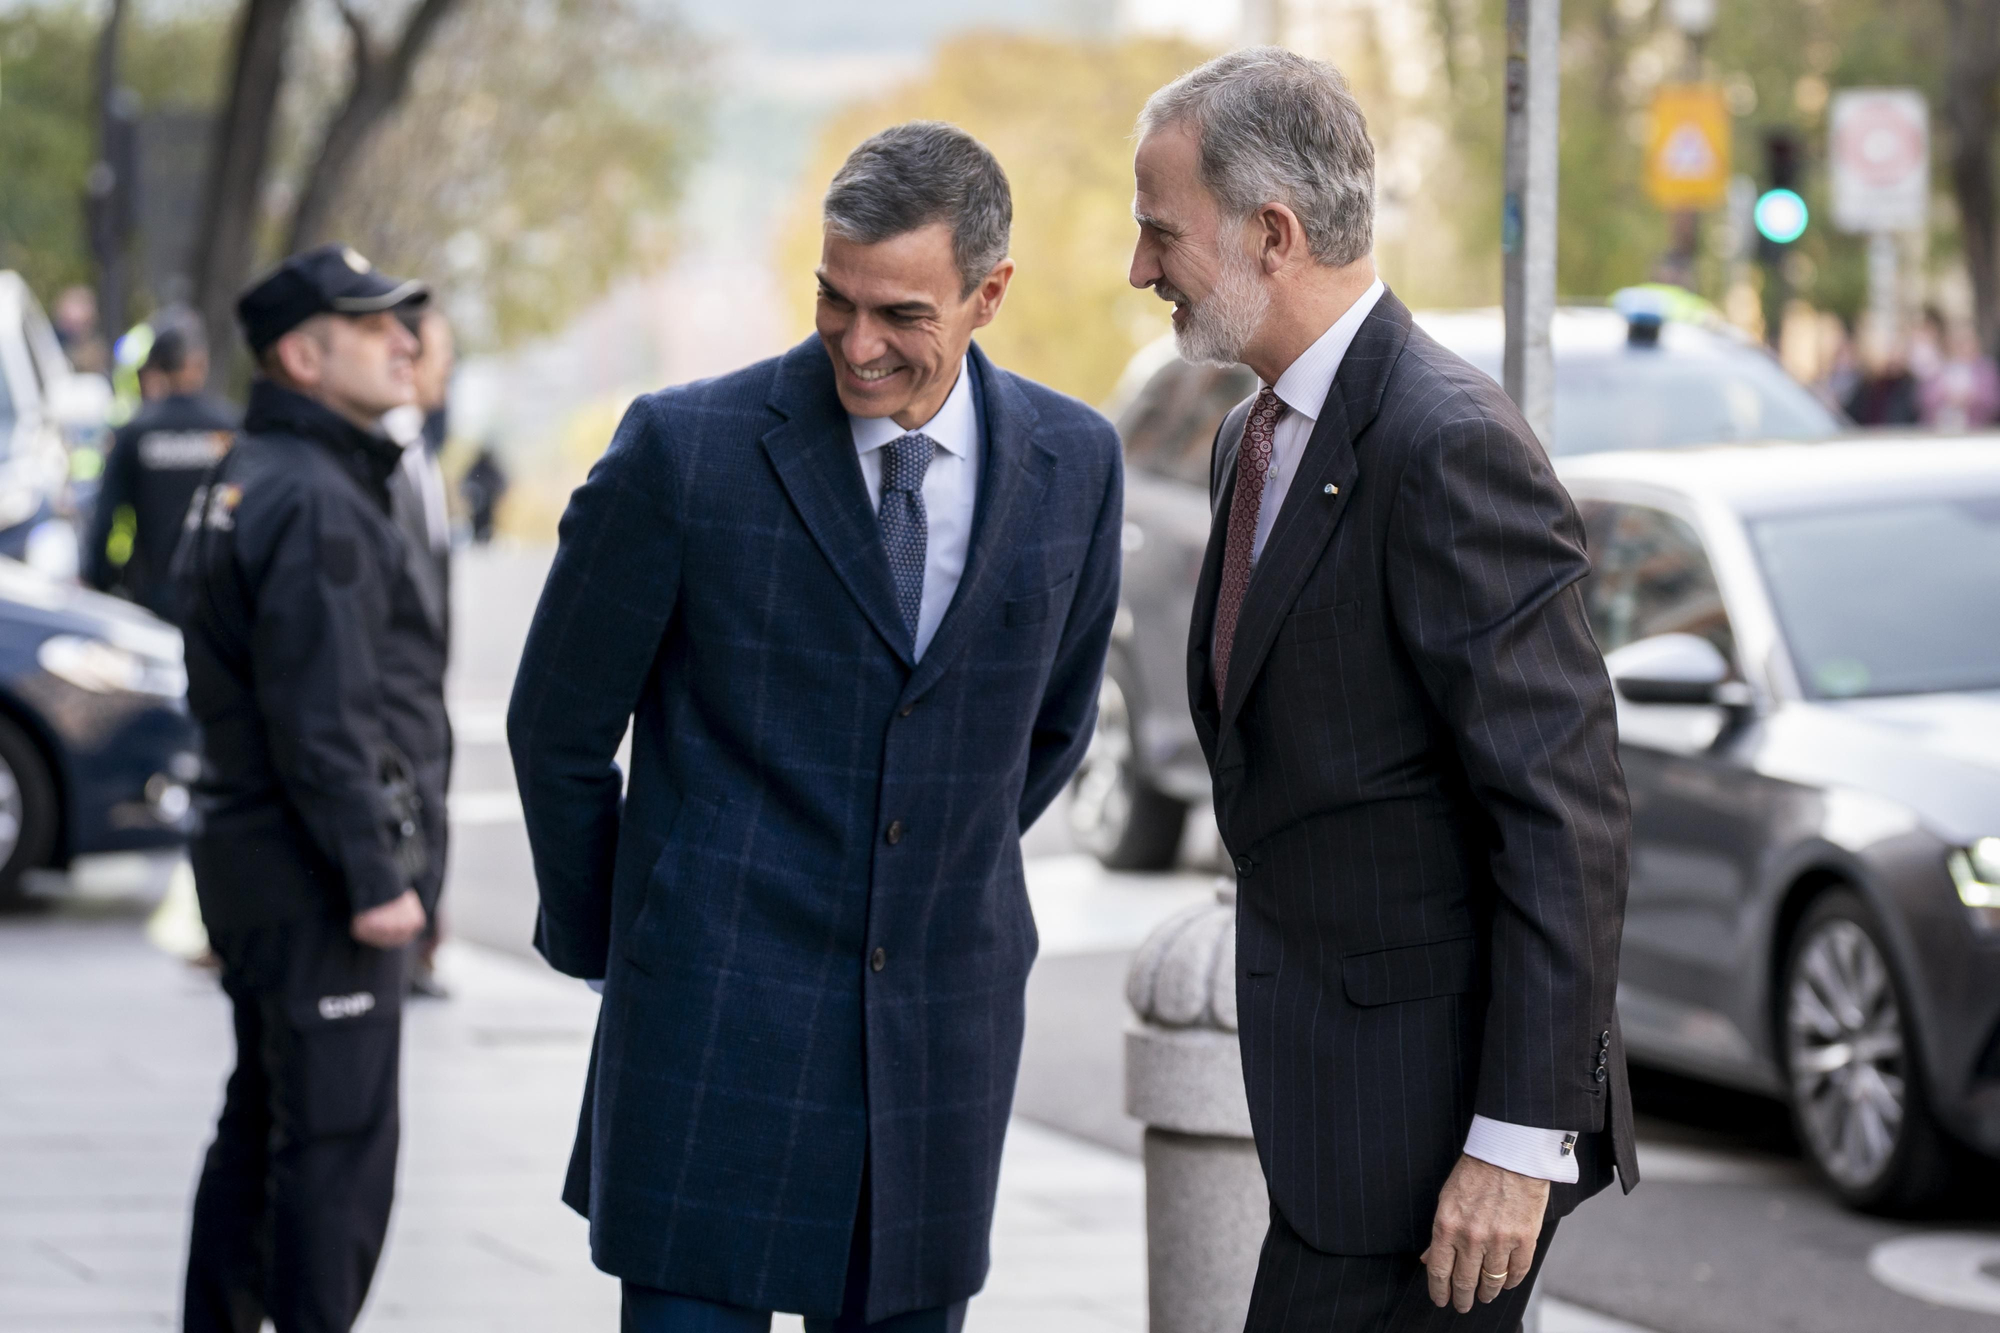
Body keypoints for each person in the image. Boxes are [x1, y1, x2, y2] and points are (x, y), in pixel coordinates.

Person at [508, 121, 1122, 1330]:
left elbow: (1051, 727)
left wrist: (925, 872)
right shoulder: (681, 450)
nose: (858, 341)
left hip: (936, 1036)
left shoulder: (1074, 461)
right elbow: (556, 730)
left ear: (989, 292)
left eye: (900, 313)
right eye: (834, 298)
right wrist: (621, 942)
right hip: (707, 1026)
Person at [1129, 50, 1634, 1330]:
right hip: (1341, 1130)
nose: (1140, 268)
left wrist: (1515, 1144)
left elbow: (1563, 814)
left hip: (1441, 1152)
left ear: (1271, 233)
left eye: (1159, 230)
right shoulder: (1249, 437)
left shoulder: (1445, 440)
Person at [174, 244, 450, 1333]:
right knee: (335, 1153)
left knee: (262, 1126)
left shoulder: (255, 471)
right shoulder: (318, 497)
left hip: (259, 864)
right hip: (316, 883)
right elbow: (324, 714)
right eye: (372, 325)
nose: (404, 341)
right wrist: (378, 877)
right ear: (301, 354)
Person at [384, 307, 456, 998]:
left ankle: (418, 948)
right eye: (440, 352)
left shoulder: (419, 453)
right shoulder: (382, 459)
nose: (447, 368)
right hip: (396, 693)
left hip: (423, 692)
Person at [81, 308, 238, 622]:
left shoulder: (135, 432)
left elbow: (104, 519)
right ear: (199, 362)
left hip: (152, 603)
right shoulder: (230, 428)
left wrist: (99, 582)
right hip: (219, 605)